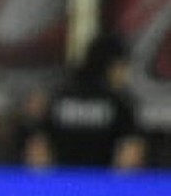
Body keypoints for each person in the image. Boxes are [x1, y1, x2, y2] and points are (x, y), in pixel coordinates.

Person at [24, 32, 145, 170]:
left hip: (62, 186)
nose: (126, 74)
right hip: (103, 187)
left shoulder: (59, 96)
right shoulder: (119, 103)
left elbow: (38, 151)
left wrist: (47, 187)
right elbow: (130, 154)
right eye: (123, 66)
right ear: (111, 66)